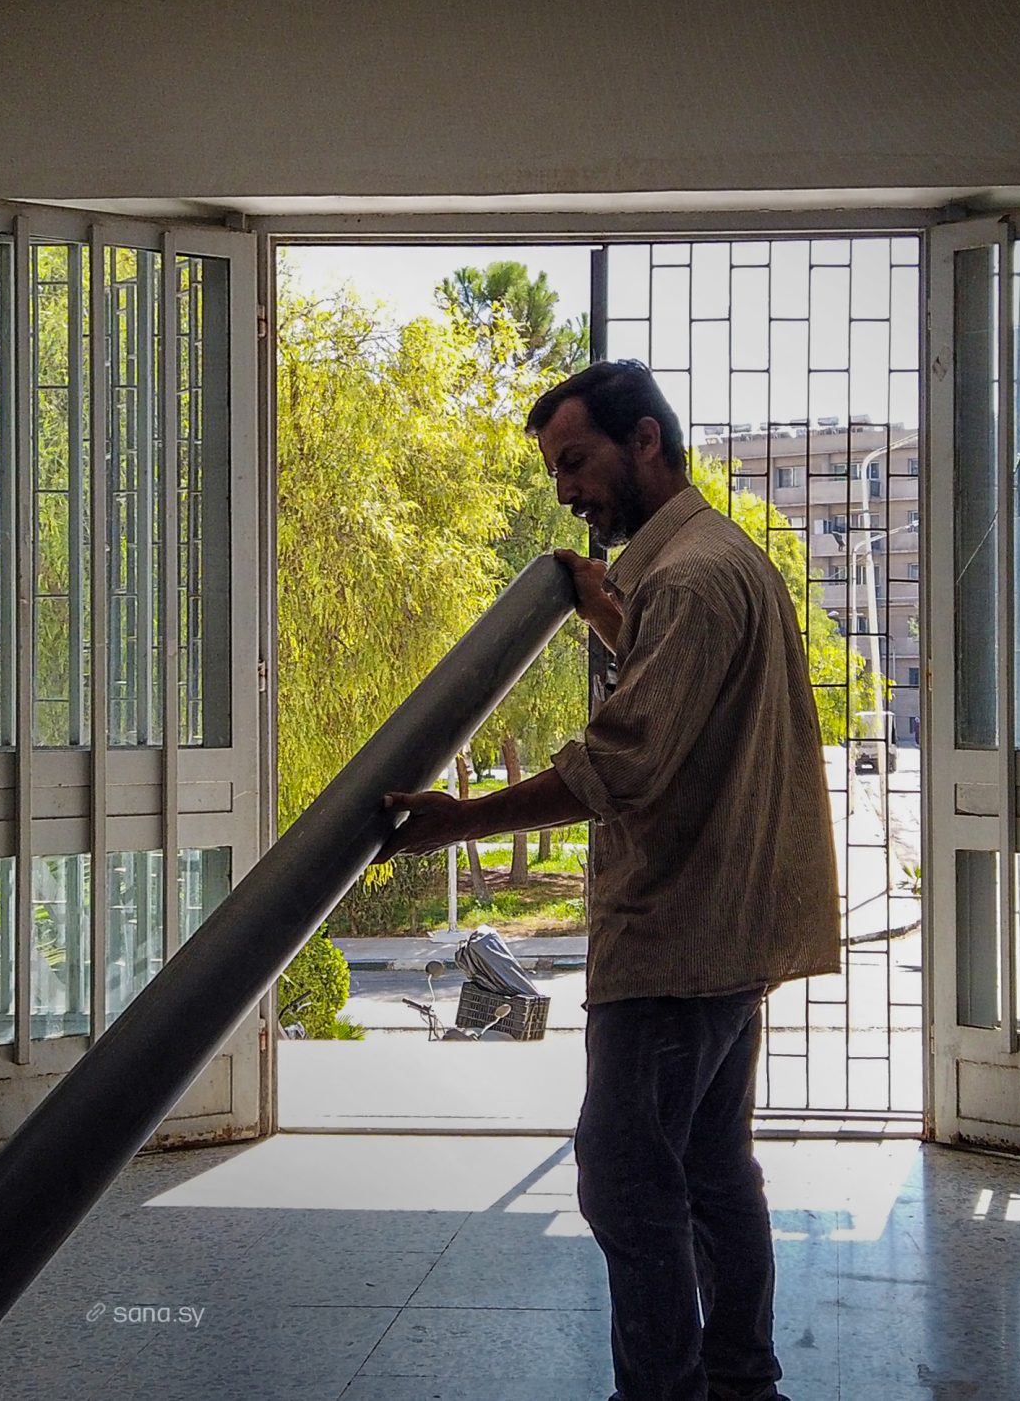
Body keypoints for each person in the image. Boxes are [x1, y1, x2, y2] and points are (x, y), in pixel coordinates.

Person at [381, 359, 841, 1401]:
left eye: (576, 461)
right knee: (713, 1170)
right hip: (726, 934)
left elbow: (626, 761)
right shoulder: (722, 559)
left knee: (628, 1184)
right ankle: (742, 1382)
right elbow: (692, 699)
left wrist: (461, 821)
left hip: (675, 938)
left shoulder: (684, 577)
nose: (566, 491)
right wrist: (608, 620)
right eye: (555, 471)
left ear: (644, 441)